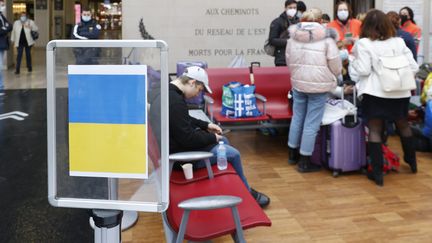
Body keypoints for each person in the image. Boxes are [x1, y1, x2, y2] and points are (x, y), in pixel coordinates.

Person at [149, 66, 270, 208]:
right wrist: (212, 138)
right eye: (199, 90)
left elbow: (181, 120)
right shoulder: (175, 101)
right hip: (180, 159)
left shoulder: (166, 93)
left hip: (173, 147)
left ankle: (235, 186)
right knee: (233, 154)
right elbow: (188, 139)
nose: (197, 95)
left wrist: (206, 125)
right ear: (192, 82)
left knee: (223, 141)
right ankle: (246, 193)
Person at [349, 10, 419, 186]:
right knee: (403, 124)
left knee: (375, 129)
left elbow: (363, 70)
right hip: (400, 92)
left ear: (366, 26)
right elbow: (414, 67)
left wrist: (352, 60)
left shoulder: (363, 44)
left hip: (376, 93)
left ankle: (378, 173)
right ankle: (412, 163)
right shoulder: (399, 41)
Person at [285, 8, 342, 172]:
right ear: (319, 21)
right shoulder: (326, 39)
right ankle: (304, 162)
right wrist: (336, 75)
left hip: (298, 83)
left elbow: (289, 60)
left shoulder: (293, 38)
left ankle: (292, 155)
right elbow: (335, 64)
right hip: (318, 85)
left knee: (297, 118)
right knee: (311, 123)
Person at [268, 0, 299, 66]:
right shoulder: (277, 22)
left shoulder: (298, 22)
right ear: (285, 8)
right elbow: (272, 40)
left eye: (294, 8)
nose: (293, 10)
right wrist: (288, 41)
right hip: (282, 59)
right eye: (290, 8)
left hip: (296, 58)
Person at [0, 0, 11, 94]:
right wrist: (5, 29)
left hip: (2, 45)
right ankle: (0, 87)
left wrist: (5, 28)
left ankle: (1, 86)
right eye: (1, 3)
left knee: (0, 66)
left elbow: (9, 26)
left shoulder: (1, 15)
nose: (3, 5)